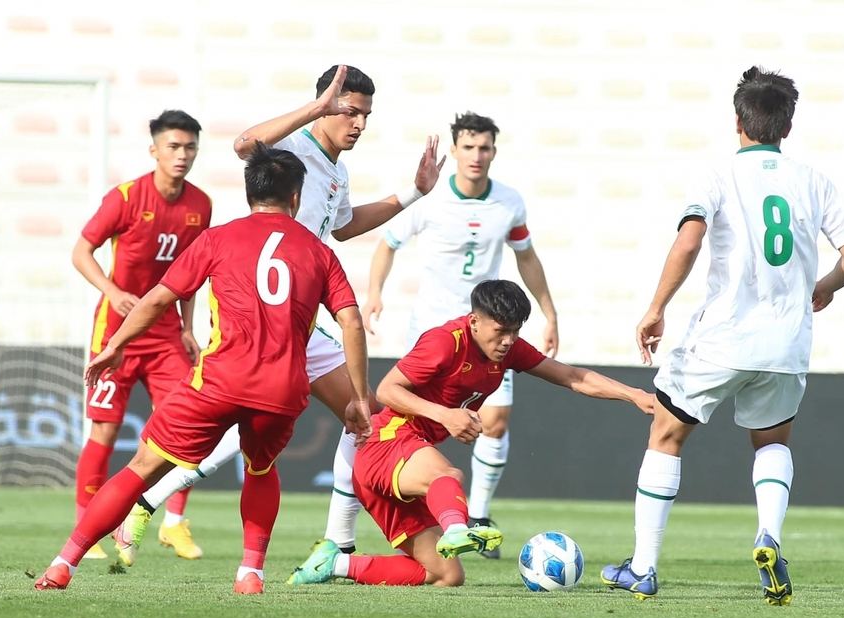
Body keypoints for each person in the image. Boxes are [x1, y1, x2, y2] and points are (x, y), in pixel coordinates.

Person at [111, 63, 445, 563]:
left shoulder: (337, 171)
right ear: (328, 104)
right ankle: (146, 504)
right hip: (263, 313)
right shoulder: (292, 149)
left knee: (364, 416)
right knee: (343, 419)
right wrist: (314, 109)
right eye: (350, 111)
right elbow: (245, 144)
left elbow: (347, 227)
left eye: (365, 116)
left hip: (300, 320)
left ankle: (337, 540)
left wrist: (415, 192)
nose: (358, 123)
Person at [34, 143, 371, 595]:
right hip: (282, 388)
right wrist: (360, 397)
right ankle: (250, 573)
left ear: (250, 192)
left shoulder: (217, 238)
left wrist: (116, 344)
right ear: (296, 198)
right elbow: (351, 320)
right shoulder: (318, 252)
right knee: (260, 468)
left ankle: (63, 564)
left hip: (219, 380)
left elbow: (158, 298)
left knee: (141, 466)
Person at [600, 66, 844, 605]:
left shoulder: (718, 175)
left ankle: (645, 568)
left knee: (666, 436)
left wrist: (656, 308)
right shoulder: (814, 181)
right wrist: (824, 286)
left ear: (737, 122)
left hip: (722, 338)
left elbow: (689, 242)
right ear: (786, 127)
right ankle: (769, 535)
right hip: (787, 343)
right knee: (770, 443)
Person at [287, 280, 654, 587]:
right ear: (475, 321)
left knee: (446, 574)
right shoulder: (445, 342)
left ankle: (334, 565)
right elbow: (386, 391)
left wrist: (634, 394)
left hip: (400, 461)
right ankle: (458, 528)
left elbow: (573, 377)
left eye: (515, 331)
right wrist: (445, 415)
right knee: (448, 476)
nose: (509, 340)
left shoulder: (504, 351)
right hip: (387, 443)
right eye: (501, 330)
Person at [362, 112, 558, 558]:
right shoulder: (429, 201)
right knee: (397, 418)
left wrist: (548, 311)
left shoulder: (509, 202)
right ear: (454, 151)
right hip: (435, 331)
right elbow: (386, 244)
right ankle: (354, 521)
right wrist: (374, 293)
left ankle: (478, 515)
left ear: (493, 151)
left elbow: (526, 257)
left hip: (491, 333)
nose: (476, 155)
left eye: (485, 147)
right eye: (468, 147)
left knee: (495, 421)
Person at [71, 109, 211, 560]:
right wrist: (112, 292)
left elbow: (193, 273)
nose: (182, 155)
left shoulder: (200, 205)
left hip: (168, 333)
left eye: (189, 147)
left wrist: (190, 327)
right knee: (106, 433)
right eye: (173, 146)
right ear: (154, 150)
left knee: (185, 430)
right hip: (117, 333)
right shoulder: (126, 196)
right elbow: (81, 250)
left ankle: (174, 523)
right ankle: (86, 525)